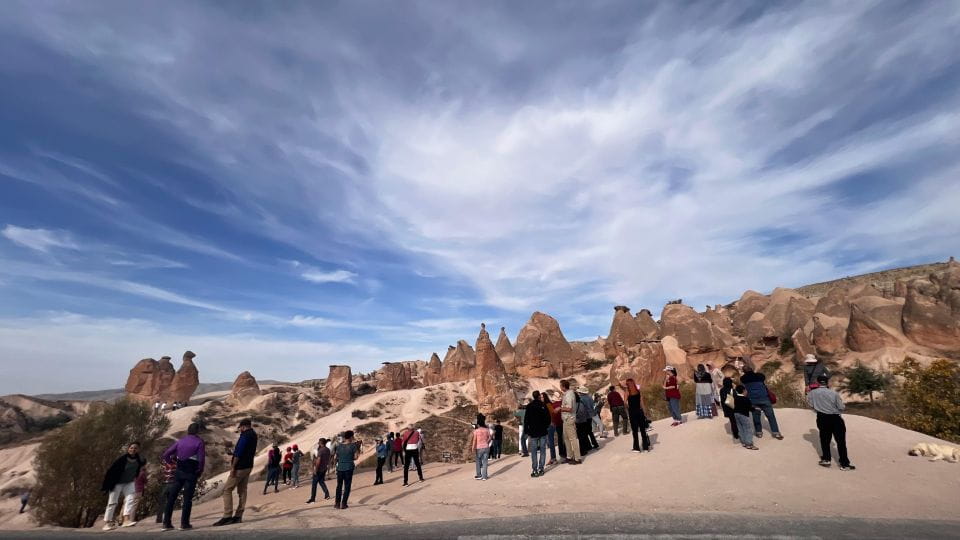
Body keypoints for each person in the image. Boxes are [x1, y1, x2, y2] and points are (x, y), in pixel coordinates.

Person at [160, 422, 206, 531]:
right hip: (191, 472)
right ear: (198, 431)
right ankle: (184, 524)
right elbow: (201, 459)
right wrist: (200, 470)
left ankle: (166, 523)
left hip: (179, 471)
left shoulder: (180, 441)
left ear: (188, 430)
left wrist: (171, 463)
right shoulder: (199, 442)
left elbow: (166, 454)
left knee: (172, 497)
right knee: (187, 498)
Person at [213, 418, 258, 526]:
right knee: (242, 491)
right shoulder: (254, 435)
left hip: (240, 467)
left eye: (240, 428)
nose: (240, 430)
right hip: (249, 465)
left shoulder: (245, 436)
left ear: (243, 427)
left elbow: (238, 452)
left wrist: (233, 467)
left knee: (227, 490)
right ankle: (238, 515)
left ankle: (227, 516)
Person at [808, 375, 855, 470]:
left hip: (822, 418)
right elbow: (841, 407)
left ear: (817, 383)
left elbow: (811, 405)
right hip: (835, 418)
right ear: (827, 383)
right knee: (841, 442)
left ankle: (826, 459)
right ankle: (845, 464)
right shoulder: (834, 393)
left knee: (824, 440)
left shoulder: (812, 393)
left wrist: (819, 407)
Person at [100, 441, 146, 531]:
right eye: (131, 448)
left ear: (138, 449)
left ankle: (126, 519)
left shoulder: (139, 459)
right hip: (117, 483)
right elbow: (110, 471)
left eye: (135, 448)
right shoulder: (122, 460)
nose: (133, 449)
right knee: (112, 502)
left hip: (129, 482)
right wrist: (107, 485)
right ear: (128, 449)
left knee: (130, 499)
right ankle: (107, 523)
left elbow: (140, 466)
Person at [741, 365, 783, 440]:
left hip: (753, 400)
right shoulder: (760, 376)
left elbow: (743, 383)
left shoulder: (743, 378)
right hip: (764, 398)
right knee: (771, 416)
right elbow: (763, 378)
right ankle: (776, 432)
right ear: (751, 369)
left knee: (756, 416)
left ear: (744, 372)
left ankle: (759, 432)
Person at [524, 390, 551, 477]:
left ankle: (534, 469)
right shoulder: (543, 405)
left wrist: (526, 431)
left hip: (533, 432)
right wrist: (546, 426)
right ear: (539, 396)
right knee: (542, 450)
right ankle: (541, 468)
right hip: (542, 431)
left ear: (533, 396)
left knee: (534, 451)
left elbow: (526, 420)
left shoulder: (529, 406)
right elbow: (548, 417)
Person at [624, 379, 652, 452]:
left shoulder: (627, 392)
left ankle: (636, 448)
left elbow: (625, 403)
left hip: (632, 413)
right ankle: (645, 447)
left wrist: (628, 409)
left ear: (627, 384)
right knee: (643, 430)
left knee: (635, 431)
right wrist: (644, 411)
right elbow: (641, 403)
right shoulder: (638, 391)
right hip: (640, 412)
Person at [334, 431, 359, 509]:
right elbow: (356, 457)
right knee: (347, 486)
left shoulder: (339, 446)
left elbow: (336, 457)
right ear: (351, 437)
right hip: (348, 467)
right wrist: (350, 457)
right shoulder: (353, 446)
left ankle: (337, 503)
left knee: (339, 486)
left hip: (340, 467)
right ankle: (344, 503)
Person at [559, 379, 582, 464]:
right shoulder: (567, 394)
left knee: (572, 438)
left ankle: (577, 458)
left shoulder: (569, 395)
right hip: (566, 419)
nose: (560, 387)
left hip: (569, 418)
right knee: (566, 438)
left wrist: (560, 408)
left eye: (560, 386)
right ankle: (569, 456)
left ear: (563, 386)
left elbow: (569, 408)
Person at [733, 384, 759, 450]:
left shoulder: (735, 397)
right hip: (743, 415)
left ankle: (744, 442)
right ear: (743, 391)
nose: (747, 391)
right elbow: (750, 408)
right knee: (748, 429)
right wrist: (755, 409)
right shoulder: (746, 399)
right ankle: (749, 444)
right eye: (746, 390)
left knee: (740, 428)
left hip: (736, 414)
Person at [305, 437, 331, 503]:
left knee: (314, 484)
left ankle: (312, 498)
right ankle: (327, 494)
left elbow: (318, 461)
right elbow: (328, 459)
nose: (318, 443)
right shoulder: (328, 449)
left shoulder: (321, 450)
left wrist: (315, 470)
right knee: (321, 481)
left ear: (321, 443)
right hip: (324, 468)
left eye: (319, 442)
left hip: (319, 469)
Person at [576, 386, 599, 452]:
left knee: (584, 432)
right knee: (590, 431)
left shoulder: (581, 399)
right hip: (590, 416)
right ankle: (595, 443)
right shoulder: (589, 397)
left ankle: (588, 446)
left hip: (585, 417)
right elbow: (593, 406)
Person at [718, 377, 739, 442]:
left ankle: (736, 436)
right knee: (737, 421)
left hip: (727, 407)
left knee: (732, 422)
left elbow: (722, 400)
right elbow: (736, 398)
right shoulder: (732, 390)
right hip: (734, 407)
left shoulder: (721, 390)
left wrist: (724, 410)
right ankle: (740, 433)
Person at [551, 392, 567, 461]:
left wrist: (553, 422)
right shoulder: (563, 403)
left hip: (557, 423)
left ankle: (561, 453)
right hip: (564, 422)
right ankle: (566, 451)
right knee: (565, 438)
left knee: (560, 438)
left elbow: (552, 415)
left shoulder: (553, 405)